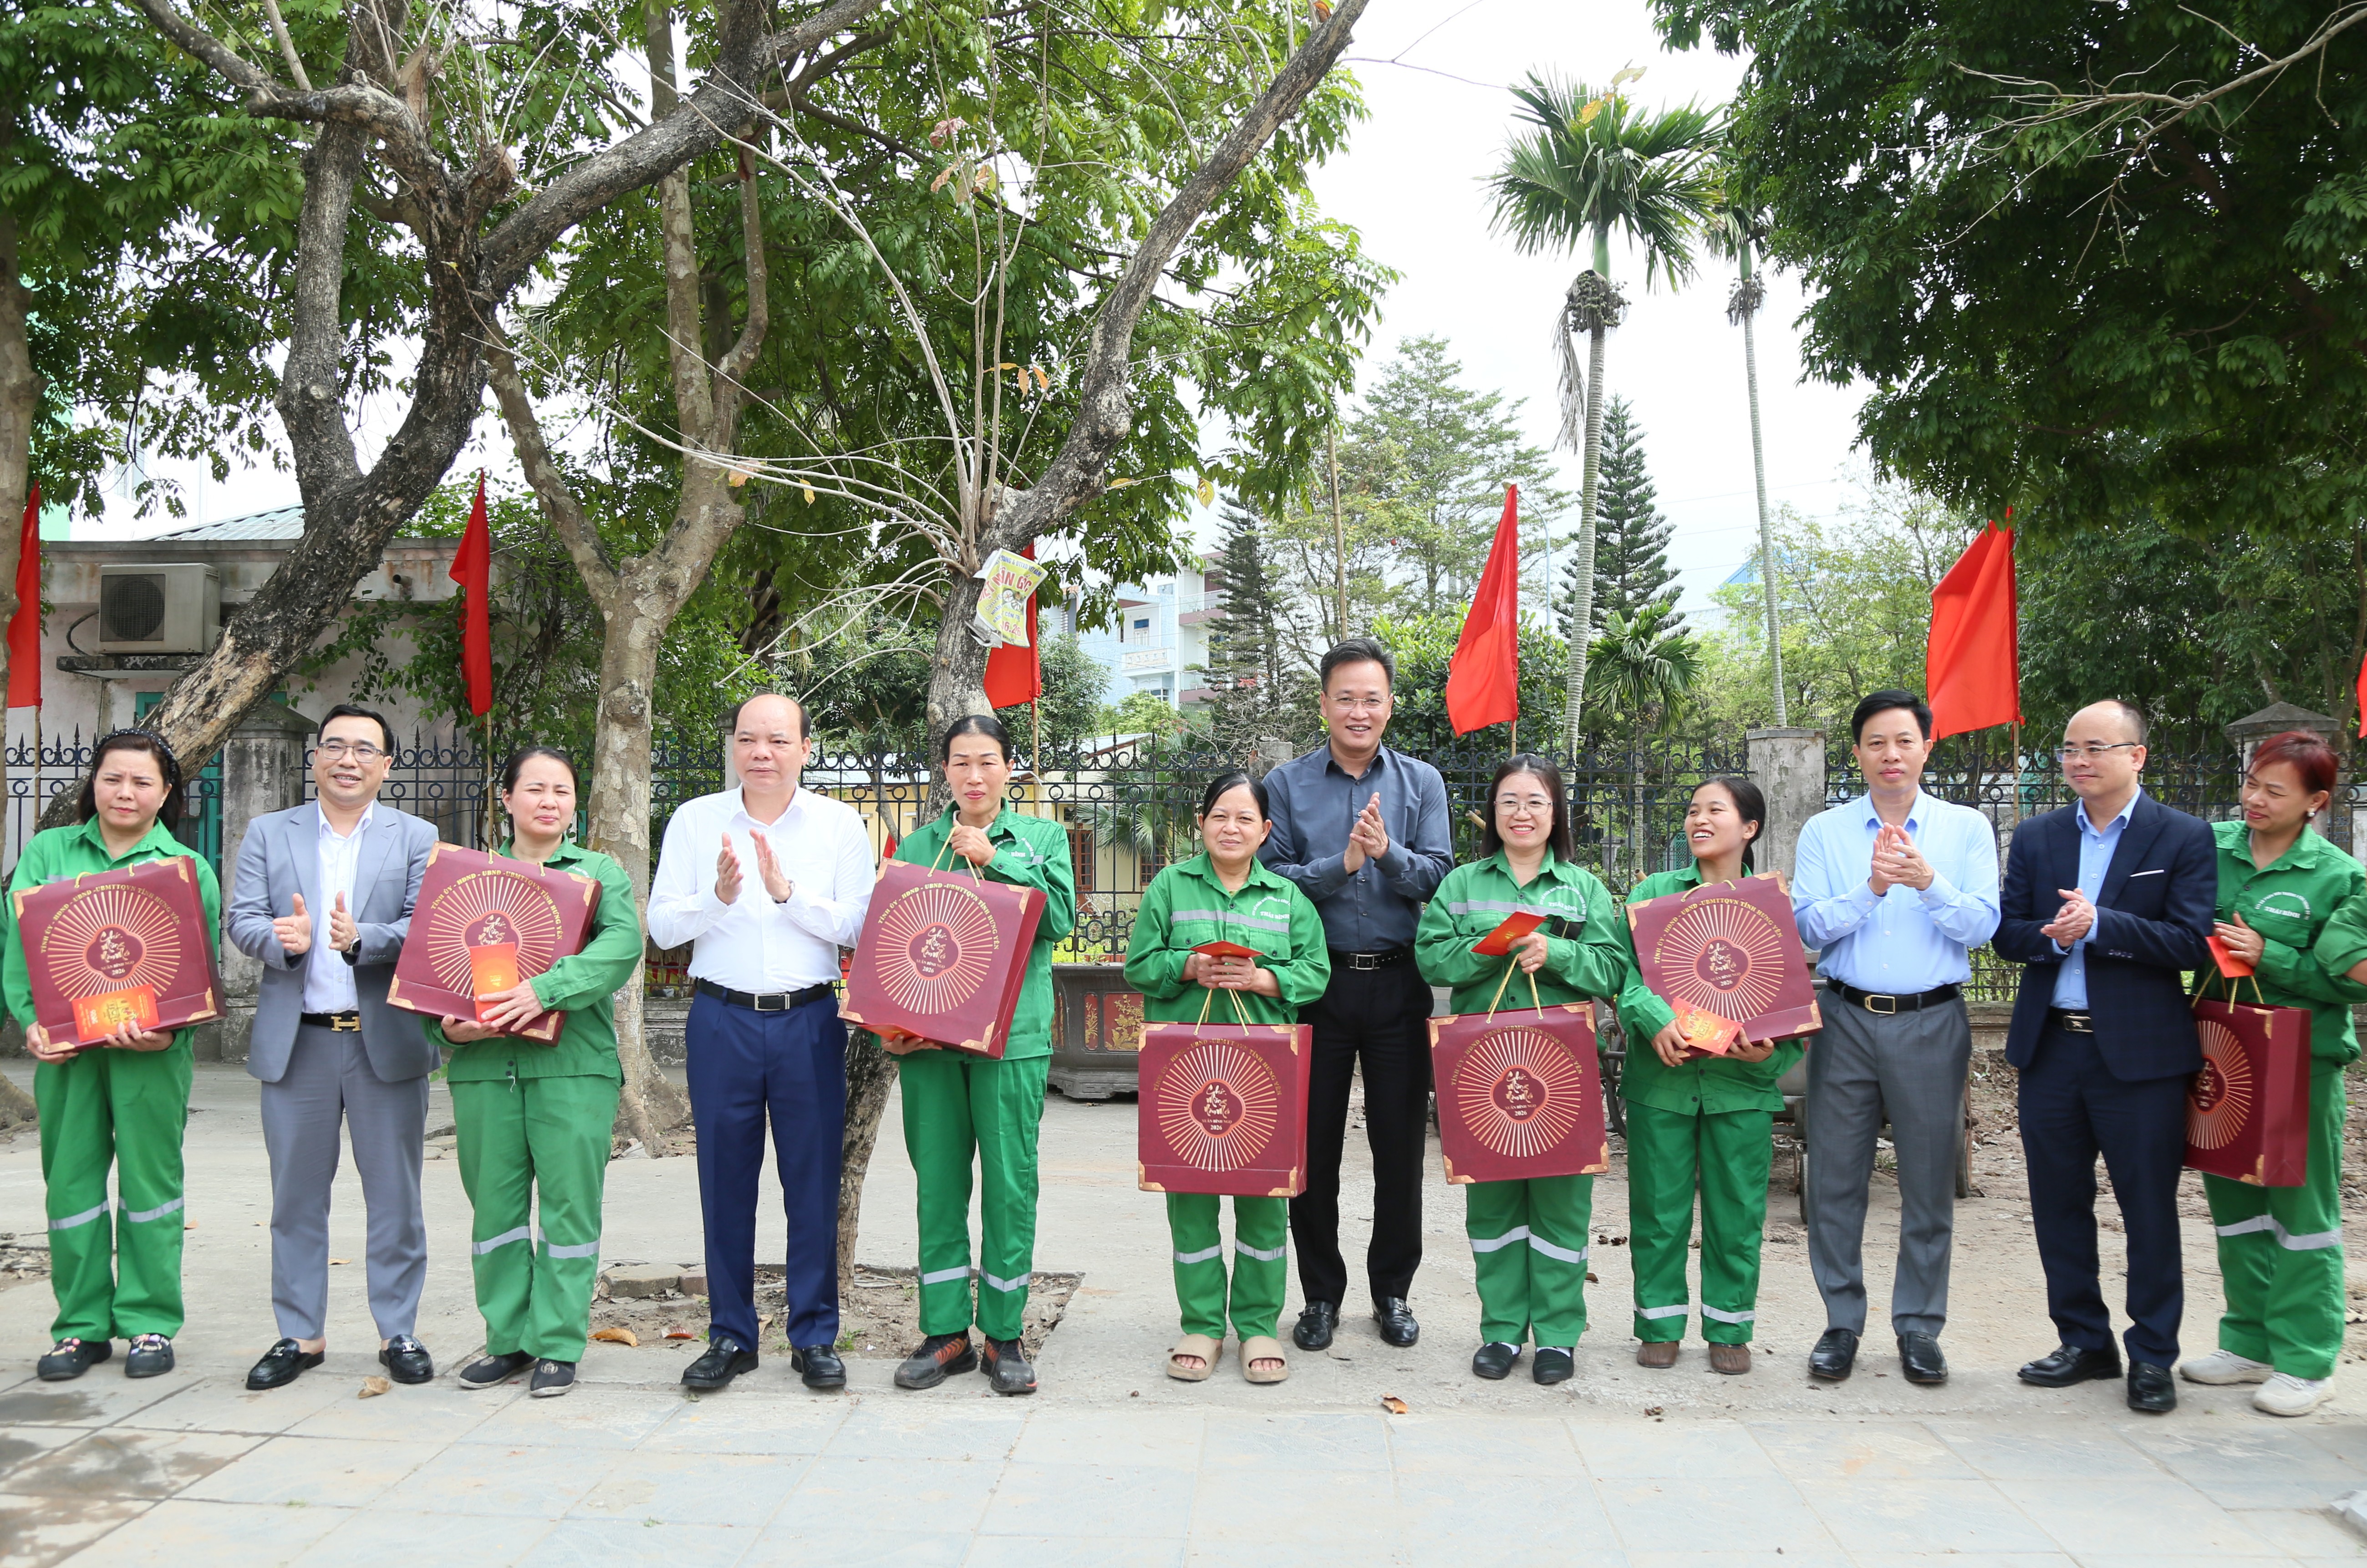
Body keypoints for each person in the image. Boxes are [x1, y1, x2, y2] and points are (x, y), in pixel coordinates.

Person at [647, 693, 875, 1394]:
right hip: (722, 1020)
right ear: (734, 747)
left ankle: (814, 1336)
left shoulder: (838, 825)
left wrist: (786, 893)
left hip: (809, 1020)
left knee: (812, 1182)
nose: (762, 753)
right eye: (748, 739)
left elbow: (861, 926)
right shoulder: (696, 821)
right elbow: (663, 927)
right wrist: (717, 898)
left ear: (806, 748)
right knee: (724, 1181)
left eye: (778, 740)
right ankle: (730, 1334)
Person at [1992, 701, 2214, 1415]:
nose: (2079, 761)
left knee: (2148, 1209)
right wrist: (2054, 937)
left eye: (2095, 747)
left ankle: (2152, 1355)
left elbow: (2190, 942)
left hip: (2142, 1059)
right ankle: (2084, 1341)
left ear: (2136, 755)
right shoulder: (2039, 835)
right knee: (2058, 1204)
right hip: (2052, 1048)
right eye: (2069, 749)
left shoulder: (2182, 836)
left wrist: (2100, 925)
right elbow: (2008, 934)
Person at [226, 705, 439, 1392]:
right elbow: (240, 918)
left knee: (396, 1198)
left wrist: (363, 939)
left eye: (365, 749)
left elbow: (425, 926)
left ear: (387, 764)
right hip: (300, 1045)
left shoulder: (417, 836)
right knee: (295, 1199)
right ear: (315, 757)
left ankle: (397, 1330)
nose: (349, 760)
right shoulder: (270, 831)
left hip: (385, 1043)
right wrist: (278, 939)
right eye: (336, 746)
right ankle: (300, 1335)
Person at [1790, 689, 2000, 1385]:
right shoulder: (1826, 832)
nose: (1891, 755)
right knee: (1835, 1178)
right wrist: (1872, 889)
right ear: (1857, 752)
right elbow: (1807, 927)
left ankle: (1918, 1326)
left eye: (1904, 741)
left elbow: (1982, 927)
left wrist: (1930, 883)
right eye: (1876, 742)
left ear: (1926, 748)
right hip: (1845, 1017)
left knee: (1928, 1180)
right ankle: (1841, 1323)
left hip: (1932, 1019)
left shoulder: (1964, 828)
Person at [1260, 637, 1453, 1353]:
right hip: (1317, 985)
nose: (1359, 711)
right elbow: (1271, 880)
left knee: (1399, 1148)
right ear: (1324, 705)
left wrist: (1386, 855)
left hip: (1400, 983)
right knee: (1311, 1151)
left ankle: (1392, 1291)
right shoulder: (1286, 785)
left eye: (1372, 699)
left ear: (1390, 706)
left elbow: (1440, 875)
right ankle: (1320, 1295)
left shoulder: (1421, 782)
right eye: (1346, 698)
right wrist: (1340, 866)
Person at [9, 731, 220, 1380]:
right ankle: (80, 1327)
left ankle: (150, 1321)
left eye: (142, 782)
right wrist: (33, 1024)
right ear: (93, 784)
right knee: (71, 1185)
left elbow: (198, 969)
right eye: (112, 779)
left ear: (166, 793)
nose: (125, 793)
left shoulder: (186, 868)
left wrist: (171, 1035)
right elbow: (19, 946)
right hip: (68, 1056)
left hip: (150, 1055)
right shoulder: (48, 852)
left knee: (151, 1188)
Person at [437, 747, 644, 1399]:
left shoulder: (597, 875)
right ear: (506, 798)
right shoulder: (467, 878)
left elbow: (622, 945)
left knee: (569, 1209)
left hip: (572, 1069)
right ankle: (508, 1340)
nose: (549, 801)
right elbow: (431, 964)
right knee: (494, 1211)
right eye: (535, 788)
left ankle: (557, 1342)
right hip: (484, 1068)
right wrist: (445, 1028)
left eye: (562, 790)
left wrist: (545, 990)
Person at [1415, 754, 1625, 1385]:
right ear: (1493, 812)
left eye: (1536, 801)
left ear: (1556, 813)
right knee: (1493, 1202)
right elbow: (1431, 958)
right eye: (1509, 801)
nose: (1522, 813)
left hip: (1561, 1070)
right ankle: (1502, 1329)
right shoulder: (1461, 885)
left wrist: (1555, 950)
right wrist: (1494, 947)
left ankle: (1558, 1335)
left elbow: (1612, 969)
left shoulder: (1583, 890)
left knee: (1562, 1202)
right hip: (1483, 1069)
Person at [883, 714, 1075, 1396]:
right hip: (930, 1044)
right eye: (961, 762)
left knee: (1009, 1185)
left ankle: (1003, 1334)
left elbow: (1060, 920)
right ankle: (945, 1334)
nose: (974, 775)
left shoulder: (1042, 839)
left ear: (1008, 769)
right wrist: (888, 1028)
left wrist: (996, 859)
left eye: (987, 761)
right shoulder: (918, 847)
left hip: (1011, 1041)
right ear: (945, 772)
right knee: (938, 1184)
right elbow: (895, 942)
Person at [1123, 771, 1330, 1385]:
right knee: (1190, 1198)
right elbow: (1139, 965)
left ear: (1266, 831)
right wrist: (1189, 966)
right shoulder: (1170, 886)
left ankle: (1259, 1325)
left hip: (1263, 1076)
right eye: (1220, 816)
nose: (1231, 828)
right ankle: (1203, 1325)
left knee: (1264, 1202)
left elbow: (1316, 973)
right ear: (1201, 823)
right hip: (1186, 1074)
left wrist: (1263, 979)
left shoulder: (1288, 899)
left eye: (1245, 819)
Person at [2183, 730, 2367, 1418]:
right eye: (2251, 783)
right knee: (2233, 1202)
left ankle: (2306, 1361)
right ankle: (2248, 1341)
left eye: (2275, 791)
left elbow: (2347, 980)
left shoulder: (2339, 877)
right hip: (2222, 1054)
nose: (2255, 799)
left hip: (2302, 1063)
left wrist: (2272, 956)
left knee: (2302, 1212)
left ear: (2316, 803)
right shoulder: (2209, 847)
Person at [1614, 777, 1801, 1377]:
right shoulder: (1654, 895)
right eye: (1693, 809)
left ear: (1749, 827)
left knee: (1738, 1214)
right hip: (1663, 1082)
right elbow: (1625, 974)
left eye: (1715, 810)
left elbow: (1788, 998)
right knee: (1658, 1212)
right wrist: (1654, 1019)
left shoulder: (1770, 905)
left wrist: (1766, 1057)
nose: (1699, 819)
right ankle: (1659, 1324)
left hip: (1739, 1088)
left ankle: (1730, 1327)